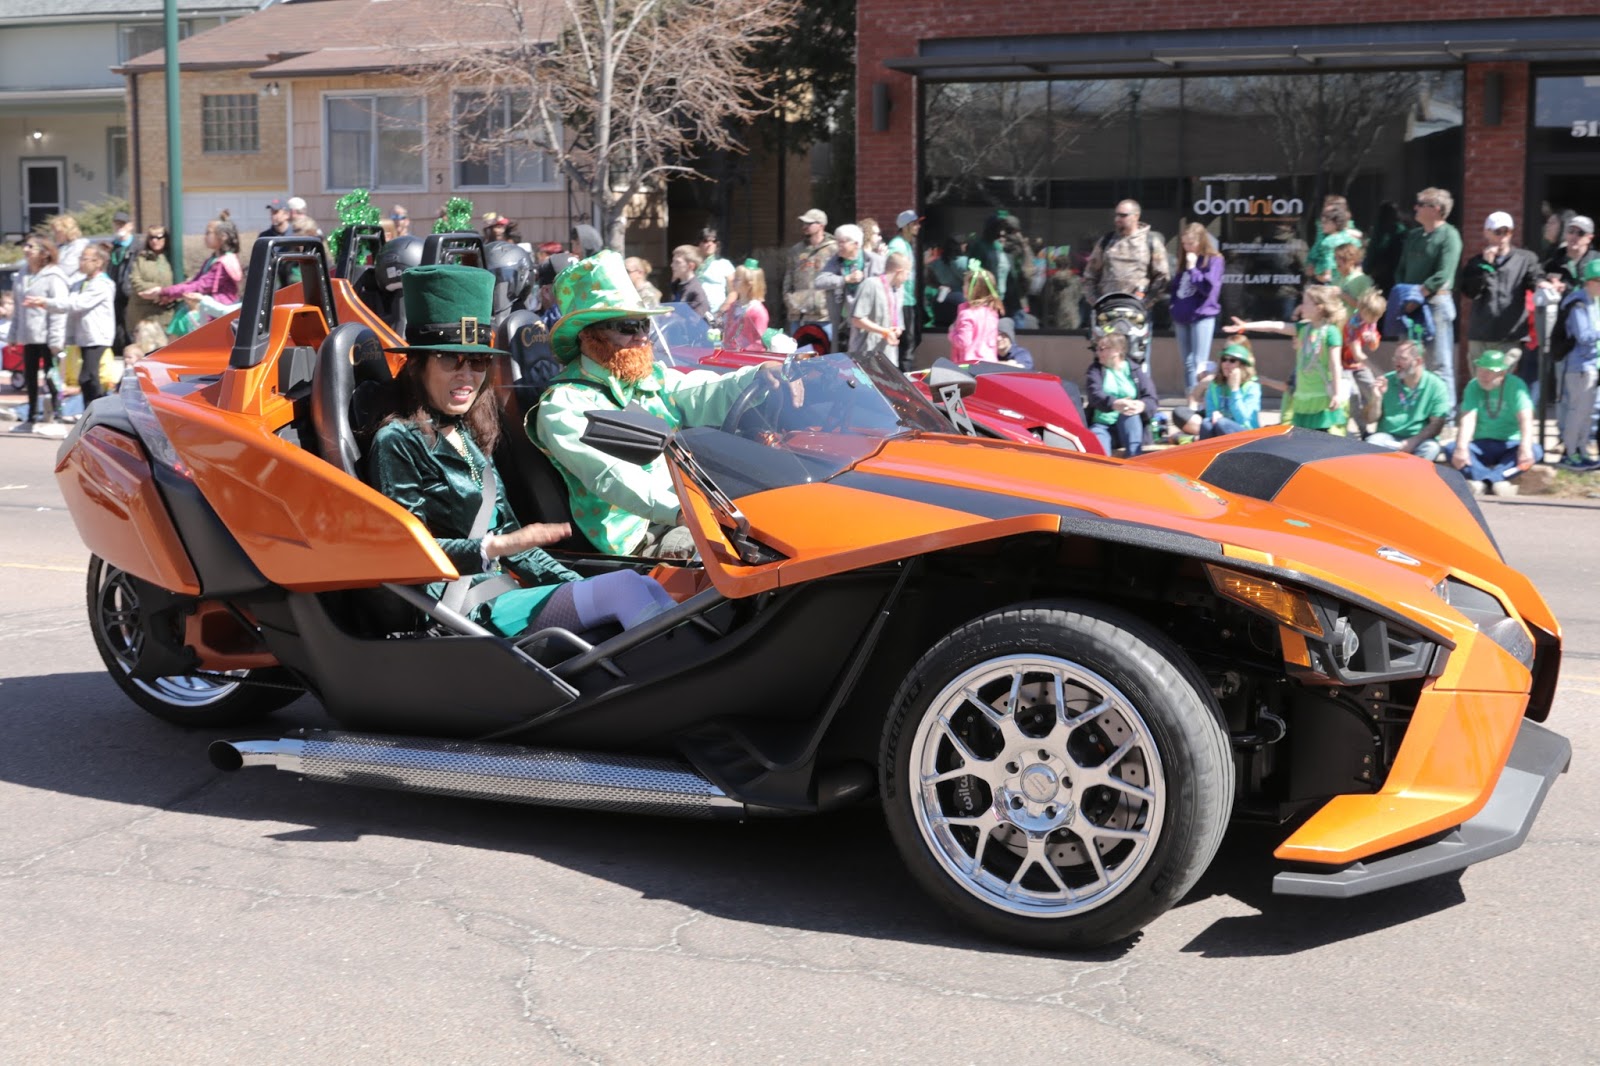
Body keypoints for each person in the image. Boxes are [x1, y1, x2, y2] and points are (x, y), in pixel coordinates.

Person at [370, 263, 676, 638]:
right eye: (451, 360)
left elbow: (518, 542)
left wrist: (572, 584)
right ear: (417, 364)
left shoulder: (467, 431)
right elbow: (408, 552)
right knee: (625, 589)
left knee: (641, 583)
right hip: (455, 608)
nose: (467, 376)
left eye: (479, 361)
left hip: (502, 594)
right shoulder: (398, 440)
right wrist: (492, 547)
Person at [533, 251, 791, 557]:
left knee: (786, 522)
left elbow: (703, 390)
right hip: (641, 534)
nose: (642, 337)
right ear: (589, 336)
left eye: (645, 325)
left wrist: (758, 377)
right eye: (627, 326)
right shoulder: (564, 404)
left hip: (698, 504)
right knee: (733, 554)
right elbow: (611, 475)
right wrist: (687, 511)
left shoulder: (648, 378)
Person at [1227, 284, 1347, 434]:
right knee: (1304, 443)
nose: (1301, 306)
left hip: (1321, 399)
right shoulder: (1303, 329)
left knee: (1318, 442)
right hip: (1303, 399)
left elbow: (1335, 365)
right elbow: (1275, 326)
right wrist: (1246, 326)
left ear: (1319, 307)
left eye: (1305, 303)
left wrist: (1336, 393)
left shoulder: (1331, 332)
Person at [1459, 210, 1541, 403]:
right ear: (1486, 233)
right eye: (1497, 232)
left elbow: (1535, 280)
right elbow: (1471, 292)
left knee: (1502, 383)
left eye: (1507, 232)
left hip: (1509, 337)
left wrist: (1545, 283)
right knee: (1480, 384)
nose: (1502, 237)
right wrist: (1486, 267)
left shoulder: (1525, 259)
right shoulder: (1476, 262)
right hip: (1481, 335)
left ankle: (1502, 427)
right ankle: (1481, 427)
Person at [1394, 187, 1463, 413]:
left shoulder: (1449, 235)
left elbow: (1444, 273)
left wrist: (1420, 294)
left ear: (1436, 209)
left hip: (1436, 305)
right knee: (1407, 359)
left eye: (1421, 204)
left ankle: (1445, 416)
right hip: (1410, 306)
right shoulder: (1414, 236)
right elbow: (1401, 269)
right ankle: (1411, 412)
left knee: (1440, 363)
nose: (1415, 208)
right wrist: (1405, 295)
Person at [26, 242, 116, 409]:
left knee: (88, 376)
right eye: (80, 258)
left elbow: (77, 303)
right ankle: (90, 412)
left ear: (98, 262)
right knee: (86, 377)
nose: (81, 262)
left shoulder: (102, 284)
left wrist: (46, 302)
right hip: (83, 336)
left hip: (96, 336)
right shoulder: (80, 283)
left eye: (85, 259)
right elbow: (67, 300)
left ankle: (98, 411)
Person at [1443, 349, 1541, 495]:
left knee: (1535, 451)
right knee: (1452, 449)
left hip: (1510, 443)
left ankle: (1483, 481)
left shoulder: (1517, 386)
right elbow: (1468, 419)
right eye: (1480, 370)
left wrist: (1525, 447)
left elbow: (1525, 418)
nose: (1482, 375)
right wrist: (1462, 447)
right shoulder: (1473, 386)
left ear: (1502, 374)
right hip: (1482, 444)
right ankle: (1496, 481)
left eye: (1488, 372)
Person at [10, 235, 68, 423]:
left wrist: (56, 340)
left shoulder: (54, 275)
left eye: (31, 247)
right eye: (25, 246)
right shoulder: (22, 274)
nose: (26, 250)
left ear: (43, 253)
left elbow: (60, 309)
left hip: (48, 335)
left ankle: (58, 412)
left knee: (51, 376)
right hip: (29, 335)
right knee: (30, 375)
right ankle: (32, 413)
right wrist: (13, 334)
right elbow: (18, 308)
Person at [1368, 339, 1450, 461]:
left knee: (1431, 448)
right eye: (1395, 358)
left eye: (1402, 359)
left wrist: (1413, 441)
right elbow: (1370, 419)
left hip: (1419, 440)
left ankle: (1412, 478)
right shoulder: (1387, 380)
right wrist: (1377, 398)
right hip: (1388, 437)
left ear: (1418, 361)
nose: (1396, 363)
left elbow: (1437, 424)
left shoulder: (1436, 385)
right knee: (1373, 442)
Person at [1553, 258, 1600, 469]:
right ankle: (1569, 453)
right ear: (1589, 281)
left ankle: (1581, 450)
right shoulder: (1578, 303)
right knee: (1576, 412)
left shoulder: (1592, 301)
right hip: (1579, 368)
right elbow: (1583, 336)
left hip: (1591, 366)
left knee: (1587, 413)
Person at [141, 215, 242, 311]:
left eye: (208, 232)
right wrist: (171, 294)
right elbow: (193, 282)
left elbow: (199, 286)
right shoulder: (212, 259)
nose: (205, 236)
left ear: (223, 236)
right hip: (208, 312)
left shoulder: (224, 263)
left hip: (220, 316)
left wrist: (163, 291)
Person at [1083, 331, 1159, 456]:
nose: (1098, 353)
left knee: (1130, 414)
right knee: (1098, 444)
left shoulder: (1135, 370)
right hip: (1103, 426)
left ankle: (1134, 463)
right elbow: (1094, 395)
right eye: (1097, 349)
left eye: (1102, 349)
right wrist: (1114, 403)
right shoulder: (1095, 370)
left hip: (1130, 428)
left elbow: (1152, 399)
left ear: (1117, 350)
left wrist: (1141, 405)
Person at [1170, 222, 1225, 391]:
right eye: (1184, 244)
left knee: (1199, 361)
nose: (1187, 248)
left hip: (1202, 314)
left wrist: (1193, 268)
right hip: (1181, 314)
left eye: (1191, 243)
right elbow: (1176, 284)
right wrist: (1173, 305)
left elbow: (1208, 288)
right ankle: (1190, 396)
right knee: (1187, 361)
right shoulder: (1184, 259)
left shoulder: (1214, 259)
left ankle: (1198, 398)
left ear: (1201, 241)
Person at [1084, 199, 1169, 307]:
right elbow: (1090, 274)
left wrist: (1146, 302)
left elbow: (1162, 277)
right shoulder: (1106, 241)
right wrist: (1095, 301)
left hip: (1137, 308)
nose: (1117, 219)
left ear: (1136, 216)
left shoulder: (1150, 241)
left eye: (1123, 215)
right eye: (1116, 215)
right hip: (1108, 307)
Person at [1170, 340, 1261, 440]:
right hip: (1220, 427)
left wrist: (1235, 390)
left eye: (1232, 361)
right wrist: (1213, 415)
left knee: (1222, 423)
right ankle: (1205, 453)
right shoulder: (1215, 385)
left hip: (1246, 434)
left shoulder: (1252, 387)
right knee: (1206, 423)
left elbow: (1243, 419)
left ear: (1242, 365)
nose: (1226, 363)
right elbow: (1209, 413)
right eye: (1224, 359)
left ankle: (1192, 440)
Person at [816, 223, 884, 353]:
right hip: (845, 322)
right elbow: (819, 281)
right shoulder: (836, 261)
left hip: (868, 322)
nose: (839, 246)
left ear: (857, 244)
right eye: (838, 242)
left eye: (843, 242)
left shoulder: (875, 261)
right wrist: (845, 279)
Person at [782, 208, 836, 337]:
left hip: (824, 315)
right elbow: (788, 279)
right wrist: (790, 300)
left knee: (825, 354)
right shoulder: (796, 250)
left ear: (821, 225)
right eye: (803, 223)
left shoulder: (834, 249)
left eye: (809, 223)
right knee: (800, 354)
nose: (805, 226)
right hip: (799, 314)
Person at [849, 251, 909, 364]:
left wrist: (897, 330)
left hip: (888, 356)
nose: (907, 278)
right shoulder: (870, 285)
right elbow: (857, 319)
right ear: (899, 272)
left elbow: (898, 323)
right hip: (866, 355)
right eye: (907, 274)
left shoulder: (898, 291)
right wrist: (884, 331)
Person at [1343, 288, 1386, 435]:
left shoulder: (1370, 321)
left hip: (1357, 365)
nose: (1375, 321)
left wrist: (1373, 340)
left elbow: (1373, 347)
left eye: (1377, 318)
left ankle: (1381, 425)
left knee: (1374, 390)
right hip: (1343, 364)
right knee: (1353, 396)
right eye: (1373, 317)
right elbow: (1358, 354)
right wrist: (1379, 372)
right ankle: (1363, 430)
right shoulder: (1353, 324)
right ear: (1362, 310)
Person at [123, 226, 174, 336]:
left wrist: (169, 294)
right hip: (142, 316)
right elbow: (135, 281)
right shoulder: (141, 259)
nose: (154, 241)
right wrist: (159, 291)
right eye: (151, 238)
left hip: (166, 315)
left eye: (158, 237)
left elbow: (184, 283)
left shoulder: (173, 258)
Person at [886, 210, 921, 366]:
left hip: (909, 300)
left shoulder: (905, 244)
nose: (918, 226)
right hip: (902, 301)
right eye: (915, 223)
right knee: (906, 344)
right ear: (906, 226)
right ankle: (904, 379)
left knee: (913, 340)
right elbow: (891, 272)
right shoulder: (897, 245)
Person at [947, 267, 1003, 364]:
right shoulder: (992, 312)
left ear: (974, 289)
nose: (963, 287)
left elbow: (963, 342)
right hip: (990, 363)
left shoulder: (967, 314)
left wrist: (952, 332)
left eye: (965, 284)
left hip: (970, 365)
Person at [1306, 196, 1362, 283]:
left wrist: (1326, 274)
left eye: (1329, 208)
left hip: (1334, 278)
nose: (1322, 225)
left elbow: (1328, 262)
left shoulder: (1329, 241)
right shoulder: (1353, 239)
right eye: (1325, 207)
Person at [723, 261, 770, 352]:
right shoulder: (733, 306)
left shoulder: (758, 311)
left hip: (746, 358)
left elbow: (758, 342)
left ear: (749, 284)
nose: (733, 281)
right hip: (729, 354)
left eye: (737, 279)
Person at [1542, 213, 1597, 288]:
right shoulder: (1552, 264)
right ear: (1566, 234)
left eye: (1580, 233)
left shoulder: (1597, 262)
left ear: (1589, 238)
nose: (1574, 236)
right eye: (1571, 231)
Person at [694, 227, 736, 317]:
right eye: (705, 241)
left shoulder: (724, 264)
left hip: (717, 313)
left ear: (717, 244)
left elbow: (733, 291)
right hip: (695, 313)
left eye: (713, 241)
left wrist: (722, 310)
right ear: (699, 244)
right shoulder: (692, 264)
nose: (710, 244)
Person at [668, 244, 711, 319]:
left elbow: (696, 322)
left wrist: (670, 316)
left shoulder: (695, 291)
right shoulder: (677, 286)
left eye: (677, 262)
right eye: (673, 261)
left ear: (691, 266)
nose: (672, 265)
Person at [50, 215, 88, 280]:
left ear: (67, 231)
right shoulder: (60, 246)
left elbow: (66, 269)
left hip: (72, 285)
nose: (54, 235)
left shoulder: (78, 246)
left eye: (58, 232)